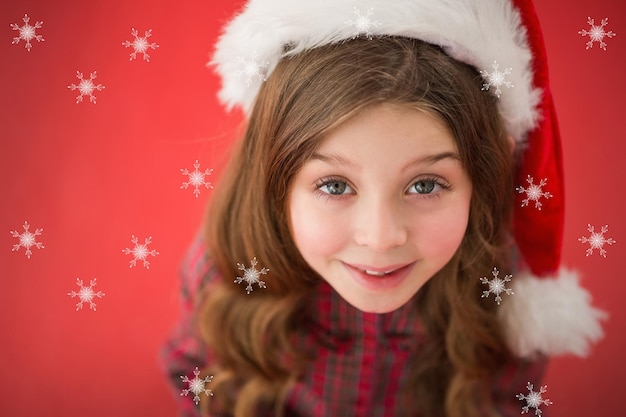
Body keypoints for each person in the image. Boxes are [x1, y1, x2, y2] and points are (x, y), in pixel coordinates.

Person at [161, 1, 606, 416]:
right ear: (273, 175)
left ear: (487, 175)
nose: (380, 236)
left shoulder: (504, 295)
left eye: (425, 184)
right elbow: (197, 377)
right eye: (335, 185)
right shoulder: (226, 272)